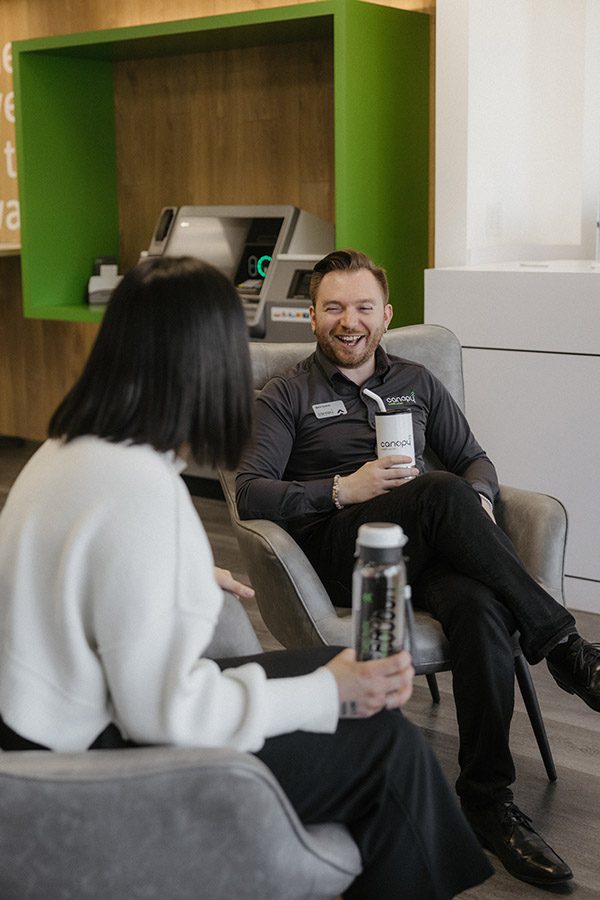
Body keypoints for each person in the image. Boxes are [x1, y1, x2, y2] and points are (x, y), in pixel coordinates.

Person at [0, 255, 493, 900]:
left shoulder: (68, 452)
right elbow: (168, 716)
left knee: (340, 674)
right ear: (208, 365)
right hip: (91, 758)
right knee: (386, 747)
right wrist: (328, 693)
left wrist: (177, 570)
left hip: (50, 723)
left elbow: (80, 570)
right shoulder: (142, 488)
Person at [236, 248, 600, 888]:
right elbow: (250, 493)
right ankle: (566, 647)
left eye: (363, 307)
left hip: (427, 543)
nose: (349, 321)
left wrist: (477, 501)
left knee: (481, 608)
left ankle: (487, 801)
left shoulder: (417, 381)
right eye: (333, 308)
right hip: (343, 553)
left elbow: (475, 461)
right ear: (312, 317)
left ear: (386, 315)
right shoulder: (286, 394)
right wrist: (344, 488)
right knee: (438, 491)